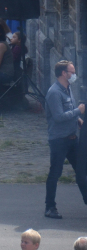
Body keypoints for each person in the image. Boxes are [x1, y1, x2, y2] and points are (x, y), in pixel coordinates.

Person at [44, 59, 85, 219]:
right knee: (55, 172)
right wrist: (78, 112)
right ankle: (50, 207)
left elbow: (68, 111)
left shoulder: (68, 89)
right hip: (59, 140)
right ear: (63, 73)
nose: (74, 75)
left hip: (72, 138)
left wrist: (77, 120)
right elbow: (59, 116)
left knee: (82, 172)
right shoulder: (54, 92)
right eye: (72, 72)